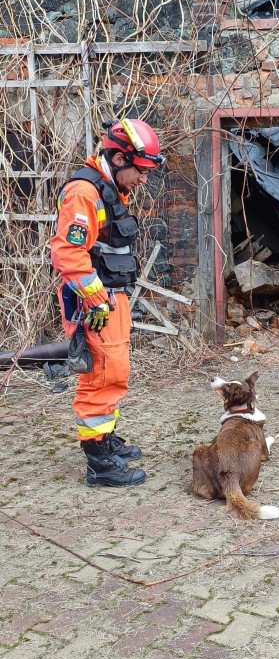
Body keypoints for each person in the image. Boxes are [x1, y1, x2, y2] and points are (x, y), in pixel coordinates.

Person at [51, 119, 165, 487]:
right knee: (101, 374)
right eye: (141, 171)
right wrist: (96, 301)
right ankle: (99, 462)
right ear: (118, 158)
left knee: (114, 370)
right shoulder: (84, 192)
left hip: (110, 296)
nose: (144, 180)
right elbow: (69, 252)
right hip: (94, 302)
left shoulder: (109, 186)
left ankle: (106, 437)